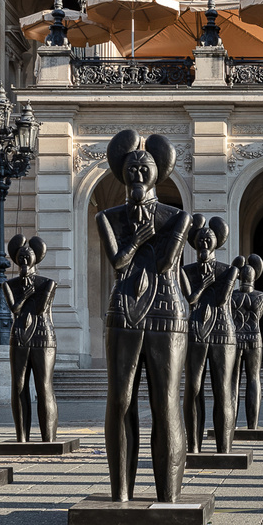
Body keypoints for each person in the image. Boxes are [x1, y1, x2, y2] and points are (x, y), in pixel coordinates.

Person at [96, 129, 194, 503]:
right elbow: (119, 262)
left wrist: (139, 242)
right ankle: (120, 491)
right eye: (132, 167)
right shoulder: (108, 217)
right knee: (119, 400)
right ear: (122, 172)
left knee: (165, 401)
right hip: (123, 310)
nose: (138, 171)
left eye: (145, 166)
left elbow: (168, 262)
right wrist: (138, 240)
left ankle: (168, 494)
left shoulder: (177, 216)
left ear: (158, 172)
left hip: (166, 312)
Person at [182, 217, 240, 454]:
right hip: (196, 331)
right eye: (200, 240)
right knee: (193, 388)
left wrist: (225, 279)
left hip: (223, 332)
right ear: (194, 244)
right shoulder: (186, 271)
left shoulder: (228, 270)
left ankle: (223, 449)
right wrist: (205, 285)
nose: (204, 243)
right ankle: (193, 447)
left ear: (216, 242)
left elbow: (221, 299)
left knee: (222, 390)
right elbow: (190, 299)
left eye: (209, 240)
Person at [4, 234, 58, 444]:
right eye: (21, 256)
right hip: (19, 336)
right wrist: (26, 295)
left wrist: (26, 296)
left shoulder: (47, 283)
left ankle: (48, 437)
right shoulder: (9, 285)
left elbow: (41, 308)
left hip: (43, 336)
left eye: (29, 256)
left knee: (44, 386)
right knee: (18, 385)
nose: (25, 259)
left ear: (36, 258)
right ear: (16, 259)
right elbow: (15, 308)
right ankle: (22, 437)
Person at [229, 255, 263, 432]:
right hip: (254, 337)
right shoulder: (261, 296)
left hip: (236, 338)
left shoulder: (231, 297)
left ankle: (231, 424)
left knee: (233, 381)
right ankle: (252, 425)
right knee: (253, 378)